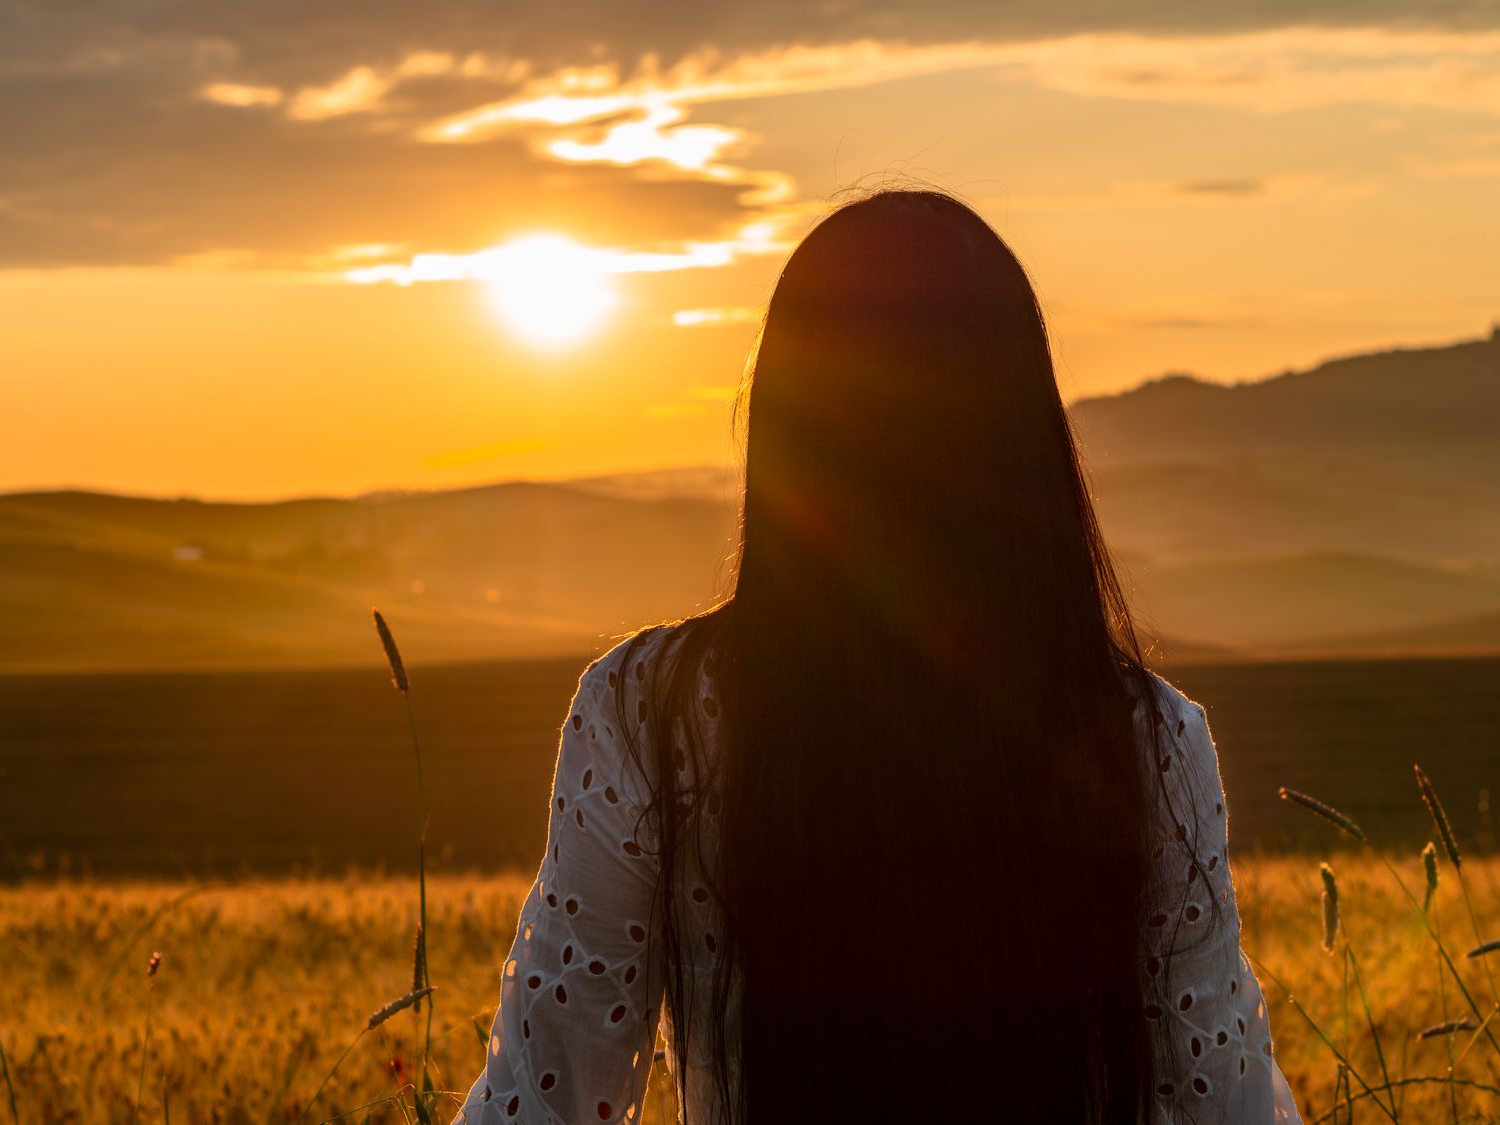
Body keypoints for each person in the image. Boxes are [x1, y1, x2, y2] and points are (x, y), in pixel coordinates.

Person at [456, 189, 1295, 1124]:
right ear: (1024, 441)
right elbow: (1229, 1105)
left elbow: (546, 1098)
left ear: (786, 432)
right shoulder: (1148, 740)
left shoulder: (648, 714)